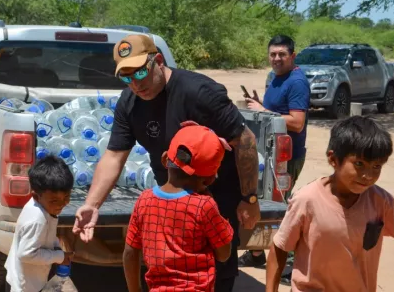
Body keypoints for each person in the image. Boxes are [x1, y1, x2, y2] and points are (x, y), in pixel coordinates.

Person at [72, 34, 261, 291]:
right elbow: (115, 155)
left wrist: (249, 198)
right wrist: (92, 205)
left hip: (215, 201)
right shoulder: (129, 103)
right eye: (126, 78)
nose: (136, 85)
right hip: (168, 206)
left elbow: (246, 140)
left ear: (158, 60)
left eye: (140, 73)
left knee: (217, 271)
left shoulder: (198, 92)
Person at [265, 116, 394, 292]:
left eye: (376, 167)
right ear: (333, 159)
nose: (368, 175)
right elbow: (279, 248)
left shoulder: (381, 201)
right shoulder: (307, 200)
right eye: (359, 164)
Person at [123, 124, 235, 292]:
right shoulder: (204, 206)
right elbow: (224, 254)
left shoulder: (144, 200)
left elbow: (130, 253)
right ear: (210, 179)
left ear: (164, 159)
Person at [239, 34, 310, 283]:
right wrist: (260, 104)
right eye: (272, 54)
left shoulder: (297, 81)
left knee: (281, 210)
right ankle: (256, 253)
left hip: (287, 156)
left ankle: (289, 265)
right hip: (270, 153)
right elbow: (277, 112)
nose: (276, 58)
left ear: (293, 55)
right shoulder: (276, 77)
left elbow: (297, 123)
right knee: (262, 201)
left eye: (281, 54)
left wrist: (263, 111)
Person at [4, 155, 75, 292]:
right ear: (36, 196)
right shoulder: (38, 219)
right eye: (54, 200)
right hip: (23, 287)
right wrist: (59, 257)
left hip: (29, 281)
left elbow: (46, 237)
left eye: (66, 197)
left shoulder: (44, 208)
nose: (62, 204)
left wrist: (57, 249)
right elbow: (26, 254)